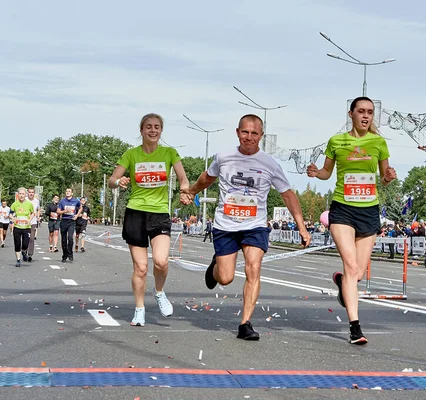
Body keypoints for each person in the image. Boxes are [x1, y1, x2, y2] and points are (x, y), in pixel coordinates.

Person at [182, 114, 311, 341]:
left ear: (261, 136)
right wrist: (192, 191)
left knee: (253, 268)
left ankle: (245, 324)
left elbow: (288, 195)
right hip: (226, 225)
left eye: (254, 133)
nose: (249, 137)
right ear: (237, 132)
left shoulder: (270, 164)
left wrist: (301, 226)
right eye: (245, 132)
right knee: (225, 278)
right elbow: (206, 178)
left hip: (255, 225)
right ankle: (215, 266)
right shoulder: (223, 158)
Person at [307, 96, 396, 345]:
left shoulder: (379, 143)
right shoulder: (337, 141)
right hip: (343, 209)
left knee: (356, 274)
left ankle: (341, 281)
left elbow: (385, 177)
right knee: (352, 266)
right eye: (361, 111)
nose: (366, 116)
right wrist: (316, 173)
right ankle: (355, 327)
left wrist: (389, 176)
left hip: (368, 210)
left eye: (370, 112)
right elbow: (327, 173)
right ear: (351, 114)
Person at [109, 113, 190, 327]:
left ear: (161, 131)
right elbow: (111, 180)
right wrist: (120, 181)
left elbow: (183, 178)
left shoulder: (170, 153)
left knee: (162, 261)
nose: (153, 130)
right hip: (135, 212)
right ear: (141, 130)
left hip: (159, 213)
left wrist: (184, 190)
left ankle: (159, 291)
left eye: (157, 127)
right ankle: (139, 309)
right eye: (148, 127)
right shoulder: (131, 154)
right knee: (141, 268)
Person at [10, 187, 35, 267]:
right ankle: (18, 260)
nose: (21, 195)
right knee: (17, 244)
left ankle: (24, 252)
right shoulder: (14, 204)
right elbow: (10, 214)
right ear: (18, 195)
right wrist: (13, 218)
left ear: (25, 195)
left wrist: (29, 220)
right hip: (17, 227)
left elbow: (32, 213)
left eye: (23, 194)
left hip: (26, 227)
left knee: (25, 244)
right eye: (20, 194)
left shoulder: (29, 204)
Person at [57, 188, 81, 263]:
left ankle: (70, 254)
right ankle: (64, 255)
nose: (67, 192)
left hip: (71, 221)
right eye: (66, 191)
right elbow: (58, 212)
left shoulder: (76, 201)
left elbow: (80, 207)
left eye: (69, 191)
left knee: (70, 238)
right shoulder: (62, 201)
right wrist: (64, 211)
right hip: (64, 220)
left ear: (72, 193)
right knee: (63, 239)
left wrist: (77, 215)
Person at [26, 188, 41, 262]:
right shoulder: (24, 200)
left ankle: (30, 254)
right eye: (30, 192)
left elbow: (38, 209)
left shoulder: (36, 201)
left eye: (32, 192)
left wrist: (38, 216)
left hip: (33, 222)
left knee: (31, 238)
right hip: (24, 222)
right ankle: (24, 251)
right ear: (27, 193)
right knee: (25, 238)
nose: (31, 194)